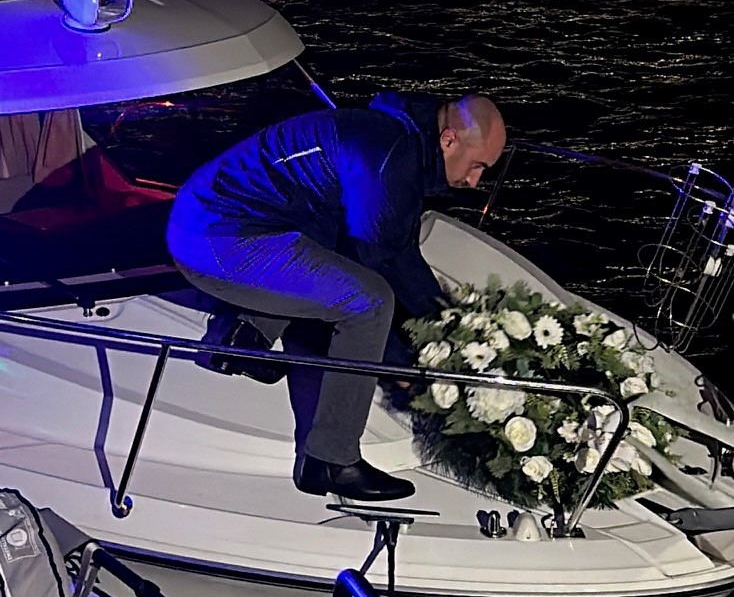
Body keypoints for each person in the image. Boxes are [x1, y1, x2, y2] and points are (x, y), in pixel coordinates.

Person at [167, 89, 506, 501]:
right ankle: (329, 460)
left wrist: (448, 325)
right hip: (214, 239)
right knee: (370, 303)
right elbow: (378, 262)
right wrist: (409, 364)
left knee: (338, 242)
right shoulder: (389, 158)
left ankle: (245, 337)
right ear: (449, 140)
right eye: (477, 166)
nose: (475, 182)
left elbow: (393, 250)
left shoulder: (395, 139)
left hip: (219, 215)